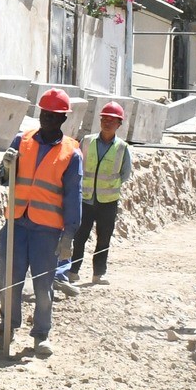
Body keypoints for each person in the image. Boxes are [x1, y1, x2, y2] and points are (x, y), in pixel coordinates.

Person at [0, 89, 82, 357]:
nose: (47, 120)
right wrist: (6, 167)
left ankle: (41, 334)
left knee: (43, 285)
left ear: (63, 119)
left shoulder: (71, 153)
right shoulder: (23, 141)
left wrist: (69, 234)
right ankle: (7, 327)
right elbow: (3, 179)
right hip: (17, 224)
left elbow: (73, 196)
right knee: (9, 281)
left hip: (47, 230)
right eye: (44, 114)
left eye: (54, 116)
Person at [65, 100, 134, 287]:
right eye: (104, 119)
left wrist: (109, 186)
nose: (107, 123)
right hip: (86, 199)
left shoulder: (122, 147)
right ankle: (73, 271)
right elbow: (77, 165)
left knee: (104, 238)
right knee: (80, 236)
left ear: (119, 124)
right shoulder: (87, 141)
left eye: (112, 120)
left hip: (108, 201)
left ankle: (98, 274)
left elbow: (125, 173)